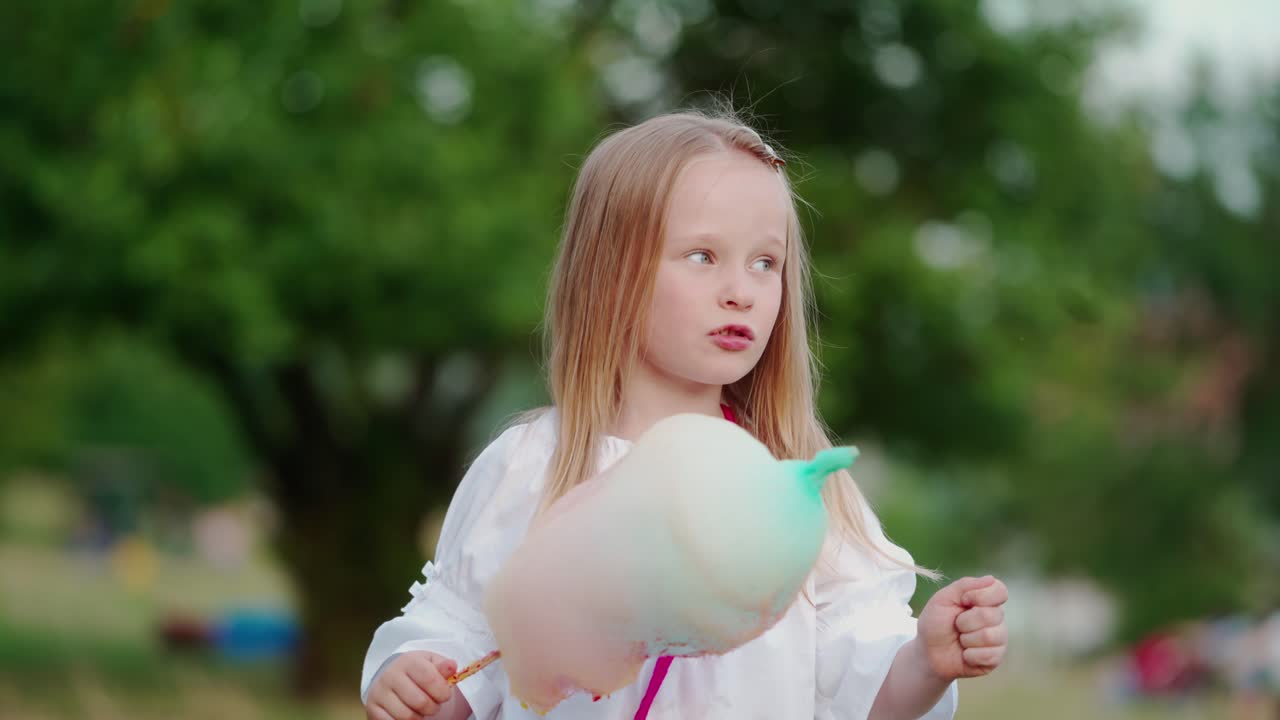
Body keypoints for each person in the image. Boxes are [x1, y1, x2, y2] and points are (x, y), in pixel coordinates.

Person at [361, 109, 1009, 719]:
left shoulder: (797, 487)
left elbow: (860, 685)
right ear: (611, 273)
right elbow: (465, 642)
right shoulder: (538, 466)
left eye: (766, 263)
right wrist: (421, 686)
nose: (741, 290)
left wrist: (926, 662)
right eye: (703, 256)